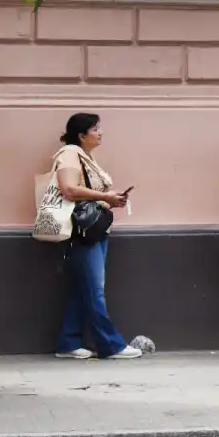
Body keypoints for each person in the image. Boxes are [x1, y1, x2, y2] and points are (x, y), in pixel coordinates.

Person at [52, 113, 141, 360]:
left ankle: (68, 342)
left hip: (93, 230)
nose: (100, 132)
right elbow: (68, 189)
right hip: (82, 232)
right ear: (81, 135)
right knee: (94, 290)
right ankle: (110, 345)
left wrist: (111, 200)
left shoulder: (85, 157)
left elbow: (86, 192)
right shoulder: (70, 153)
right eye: (95, 129)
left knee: (82, 288)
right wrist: (105, 197)